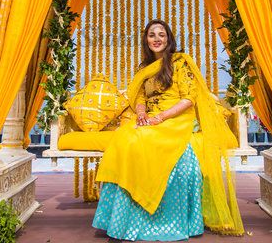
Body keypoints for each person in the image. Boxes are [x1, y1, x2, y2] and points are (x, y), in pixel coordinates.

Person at [93, 19, 244, 241]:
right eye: (151, 35)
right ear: (146, 40)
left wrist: (161, 117)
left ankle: (160, 217)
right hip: (152, 117)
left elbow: (189, 98)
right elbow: (141, 96)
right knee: (125, 138)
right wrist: (143, 113)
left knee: (146, 140)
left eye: (161, 34)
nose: (156, 39)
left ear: (169, 38)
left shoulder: (181, 62)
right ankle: (123, 219)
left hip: (177, 118)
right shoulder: (145, 68)